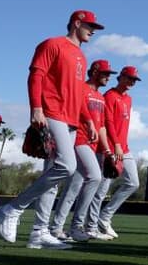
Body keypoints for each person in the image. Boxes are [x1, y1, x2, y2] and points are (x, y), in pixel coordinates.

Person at [0, 10, 103, 249]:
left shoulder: (81, 55)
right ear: (77, 23)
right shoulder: (52, 44)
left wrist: (87, 120)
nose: (93, 30)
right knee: (67, 166)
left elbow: (78, 92)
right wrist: (36, 108)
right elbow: (36, 75)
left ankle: (39, 233)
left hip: (72, 119)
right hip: (52, 112)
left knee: (54, 177)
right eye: (90, 25)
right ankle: (13, 208)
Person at [49, 59, 116, 241]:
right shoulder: (81, 88)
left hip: (92, 145)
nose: (108, 77)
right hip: (78, 139)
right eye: (105, 73)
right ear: (94, 72)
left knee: (73, 187)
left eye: (109, 74)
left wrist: (107, 151)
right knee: (95, 177)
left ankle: (56, 228)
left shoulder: (101, 97)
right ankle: (76, 226)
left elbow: (102, 127)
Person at [86, 65, 142, 239]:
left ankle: (104, 217)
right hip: (109, 148)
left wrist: (121, 145)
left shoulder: (128, 99)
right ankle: (91, 226)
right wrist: (115, 145)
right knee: (101, 190)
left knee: (133, 183)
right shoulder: (109, 96)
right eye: (130, 78)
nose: (132, 82)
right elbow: (107, 122)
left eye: (135, 80)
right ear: (121, 77)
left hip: (124, 148)